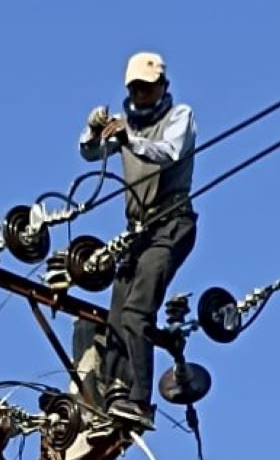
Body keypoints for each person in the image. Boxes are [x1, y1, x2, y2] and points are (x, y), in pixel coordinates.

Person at [79, 51, 198, 431]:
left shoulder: (179, 116)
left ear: (163, 86)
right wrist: (94, 131)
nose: (143, 96)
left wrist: (127, 137)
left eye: (148, 89)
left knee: (137, 311)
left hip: (172, 223)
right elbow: (90, 153)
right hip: (137, 231)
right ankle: (115, 395)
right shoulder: (126, 124)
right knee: (117, 315)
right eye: (136, 90)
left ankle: (139, 402)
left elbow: (168, 152)